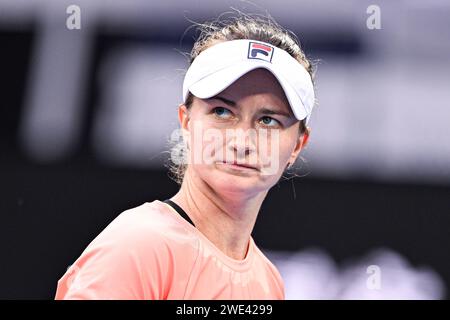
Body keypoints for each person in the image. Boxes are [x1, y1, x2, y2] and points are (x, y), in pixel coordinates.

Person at [55, 14, 316, 300]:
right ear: (187, 122)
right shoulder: (138, 245)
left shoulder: (268, 283)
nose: (242, 141)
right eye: (222, 112)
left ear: (297, 145)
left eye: (268, 120)